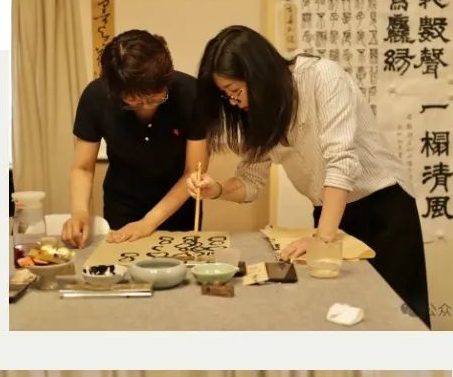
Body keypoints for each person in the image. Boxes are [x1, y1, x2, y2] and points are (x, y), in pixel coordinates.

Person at [189, 26, 431, 328]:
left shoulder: (321, 77)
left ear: (258, 73)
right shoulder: (260, 112)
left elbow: (341, 161)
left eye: (235, 90)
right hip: (329, 211)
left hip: (382, 208)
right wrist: (216, 189)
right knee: (339, 315)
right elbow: (250, 182)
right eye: (227, 96)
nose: (234, 102)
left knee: (398, 318)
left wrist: (322, 238)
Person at [64, 30, 208, 247]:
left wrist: (148, 223)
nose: (147, 106)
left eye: (156, 98)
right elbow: (82, 167)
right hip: (123, 203)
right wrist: (79, 212)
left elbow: (193, 172)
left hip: (177, 204)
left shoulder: (191, 94)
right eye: (134, 101)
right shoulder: (96, 97)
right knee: (120, 263)